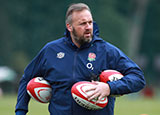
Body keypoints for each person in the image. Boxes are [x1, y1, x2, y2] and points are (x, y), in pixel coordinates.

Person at [15, 3, 146, 115]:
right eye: (82, 24)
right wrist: (20, 111)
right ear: (69, 27)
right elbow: (27, 78)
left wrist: (109, 88)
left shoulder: (106, 51)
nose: (88, 27)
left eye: (90, 22)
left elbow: (138, 78)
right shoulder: (51, 51)